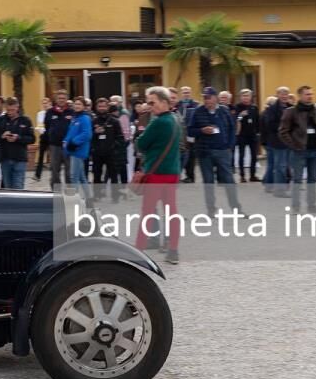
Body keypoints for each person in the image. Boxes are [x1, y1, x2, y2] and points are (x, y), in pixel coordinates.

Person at [134, 87, 183, 265]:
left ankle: (137, 252)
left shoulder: (158, 122)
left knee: (147, 213)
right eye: (148, 102)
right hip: (172, 173)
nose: (150, 106)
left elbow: (141, 144)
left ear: (164, 102)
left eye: (152, 102)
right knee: (171, 213)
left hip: (156, 174)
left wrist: (142, 128)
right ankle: (173, 251)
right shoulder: (176, 119)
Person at [188, 86, 239, 218]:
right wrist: (201, 131)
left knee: (229, 180)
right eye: (204, 98)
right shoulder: (198, 111)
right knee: (208, 181)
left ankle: (236, 209)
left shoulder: (224, 111)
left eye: (209, 97)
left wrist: (230, 146)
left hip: (223, 151)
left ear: (215, 97)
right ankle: (211, 210)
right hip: (205, 151)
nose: (206, 100)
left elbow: (232, 129)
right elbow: (190, 130)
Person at [280, 85, 316, 213]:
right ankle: (295, 206)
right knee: (297, 179)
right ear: (300, 96)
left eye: (311, 94)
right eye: (307, 94)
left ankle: (312, 205)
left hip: (314, 150)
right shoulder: (291, 111)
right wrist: (294, 145)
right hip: (299, 151)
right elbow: (283, 132)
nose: (310, 96)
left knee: (312, 180)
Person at [0, 96, 35, 189]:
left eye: (12, 110)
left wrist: (18, 138)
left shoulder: (25, 120)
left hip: (20, 159)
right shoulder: (0, 120)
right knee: (8, 188)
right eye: (8, 110)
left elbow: (32, 139)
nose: (10, 112)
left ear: (17, 107)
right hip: (5, 159)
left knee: (18, 187)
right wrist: (2, 136)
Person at [63, 97, 94, 210]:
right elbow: (70, 132)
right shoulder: (75, 118)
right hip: (73, 149)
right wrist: (65, 141)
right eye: (75, 104)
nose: (77, 106)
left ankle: (74, 203)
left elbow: (87, 134)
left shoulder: (84, 118)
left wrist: (74, 142)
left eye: (79, 104)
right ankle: (89, 199)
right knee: (82, 178)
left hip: (78, 150)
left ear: (84, 106)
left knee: (74, 177)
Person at [260, 86, 291, 196]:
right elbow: (270, 124)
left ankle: (278, 186)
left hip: (289, 142)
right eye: (282, 94)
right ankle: (279, 190)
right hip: (277, 142)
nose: (284, 96)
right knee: (279, 166)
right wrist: (284, 128)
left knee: (284, 165)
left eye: (286, 94)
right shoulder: (272, 109)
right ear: (277, 95)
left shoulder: (291, 107)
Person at [90, 97, 123, 201]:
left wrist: (115, 147)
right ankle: (97, 195)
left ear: (108, 107)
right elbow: (89, 137)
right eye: (100, 106)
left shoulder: (114, 121)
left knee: (113, 175)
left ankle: (115, 196)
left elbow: (120, 137)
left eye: (104, 106)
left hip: (111, 153)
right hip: (97, 153)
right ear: (96, 107)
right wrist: (95, 134)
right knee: (96, 175)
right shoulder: (93, 121)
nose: (102, 108)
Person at [41, 91, 73, 190]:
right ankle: (56, 193)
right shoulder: (50, 112)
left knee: (69, 172)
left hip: (69, 146)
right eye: (59, 98)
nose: (61, 100)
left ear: (67, 99)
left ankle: (70, 193)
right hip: (54, 146)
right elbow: (47, 127)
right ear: (56, 99)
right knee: (55, 171)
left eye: (63, 98)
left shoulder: (72, 112)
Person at [233, 89, 260, 183]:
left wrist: (258, 132)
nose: (246, 98)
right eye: (244, 96)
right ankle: (242, 176)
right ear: (240, 97)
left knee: (254, 156)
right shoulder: (237, 107)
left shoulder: (254, 107)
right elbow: (236, 119)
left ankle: (253, 175)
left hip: (252, 135)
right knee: (242, 155)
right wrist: (241, 115)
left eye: (247, 96)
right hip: (242, 135)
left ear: (251, 97)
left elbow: (257, 120)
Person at [33, 97, 52, 180]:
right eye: (43, 103)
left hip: (51, 136)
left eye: (46, 103)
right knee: (41, 156)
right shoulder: (40, 114)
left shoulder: (53, 112)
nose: (44, 105)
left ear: (49, 103)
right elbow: (40, 125)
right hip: (43, 136)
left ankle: (53, 174)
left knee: (52, 156)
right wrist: (41, 130)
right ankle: (37, 175)